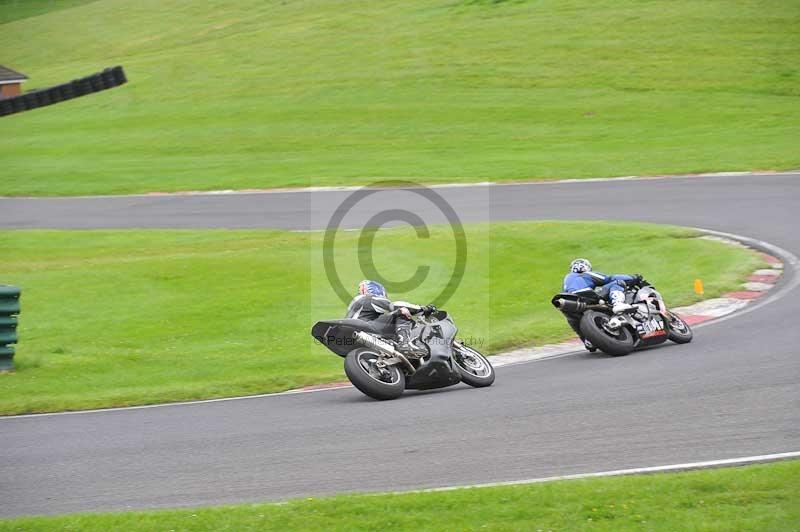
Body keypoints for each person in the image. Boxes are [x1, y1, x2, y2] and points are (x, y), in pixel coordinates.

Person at [345, 280, 435, 355]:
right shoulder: (368, 299)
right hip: (364, 328)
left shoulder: (357, 305)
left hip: (351, 338)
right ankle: (405, 344)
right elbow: (395, 305)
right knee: (402, 311)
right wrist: (424, 309)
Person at [563, 258, 643, 314]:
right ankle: (618, 304)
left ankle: (587, 339)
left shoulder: (566, 279)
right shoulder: (586, 274)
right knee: (617, 282)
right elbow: (609, 279)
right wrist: (634, 277)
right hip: (585, 295)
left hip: (570, 301)